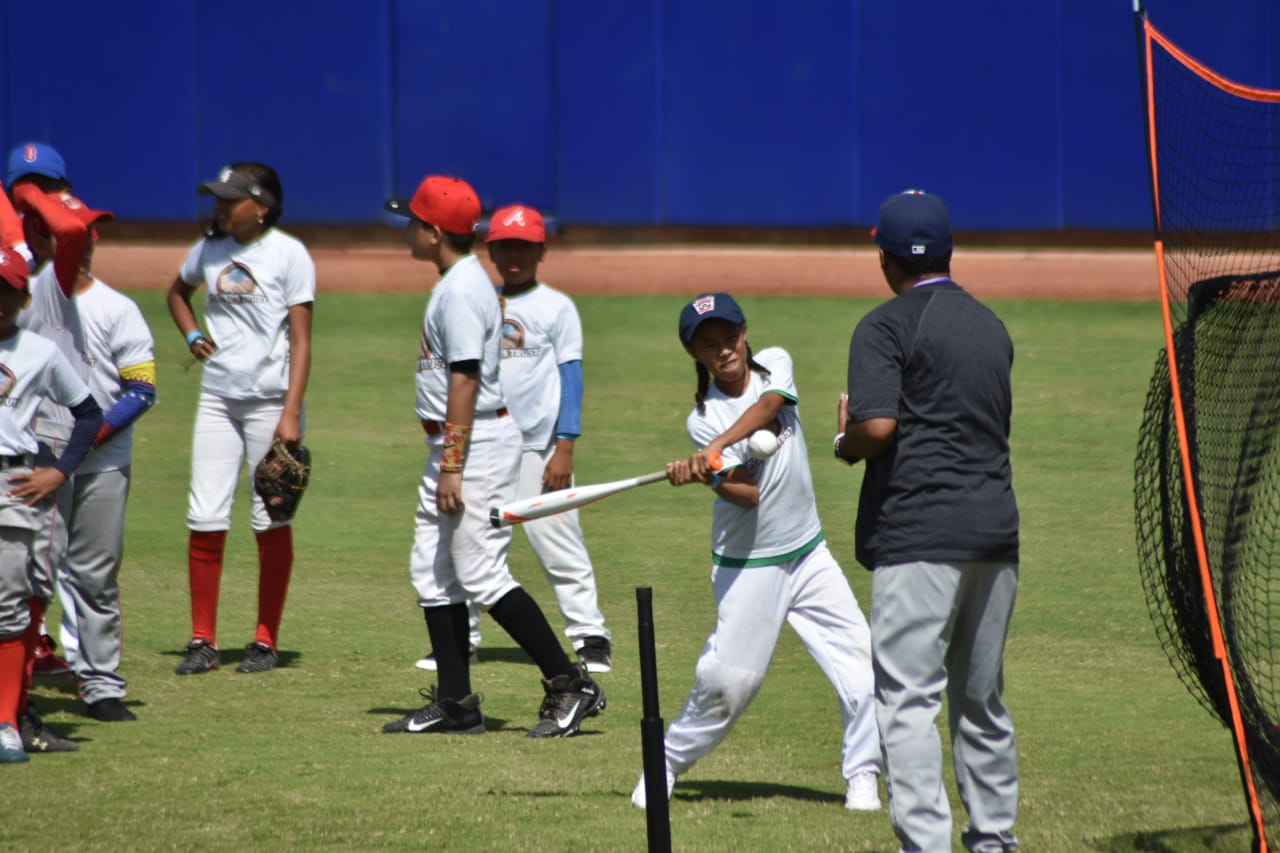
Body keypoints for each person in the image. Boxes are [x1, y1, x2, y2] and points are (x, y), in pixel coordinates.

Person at [631, 292, 882, 811]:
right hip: (750, 566)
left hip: (809, 553)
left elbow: (770, 408)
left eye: (729, 337)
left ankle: (862, 775)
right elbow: (748, 495)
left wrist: (714, 450)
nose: (723, 350)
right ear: (695, 355)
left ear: (745, 334)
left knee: (864, 662)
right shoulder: (701, 418)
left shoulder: (776, 368)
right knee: (728, 685)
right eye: (709, 345)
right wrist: (708, 475)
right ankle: (666, 764)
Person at [380, 175, 604, 737]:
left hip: (473, 442)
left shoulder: (459, 290)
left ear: (433, 232)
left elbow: (465, 380)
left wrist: (452, 463)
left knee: (480, 572)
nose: (407, 229)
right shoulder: (462, 282)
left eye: (412, 221)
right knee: (432, 569)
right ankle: (457, 701)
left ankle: (569, 682)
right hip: (459, 441)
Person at [835, 190, 1020, 853]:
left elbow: (878, 426)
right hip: (996, 534)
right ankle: (994, 836)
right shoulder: (991, 325)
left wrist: (844, 439)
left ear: (883, 256)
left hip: (919, 533)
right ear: (949, 250)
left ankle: (926, 845)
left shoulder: (882, 326)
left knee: (910, 700)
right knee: (981, 697)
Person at [415, 204, 612, 674]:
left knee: (559, 542)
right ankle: (465, 639)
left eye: (524, 246)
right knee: (466, 547)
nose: (514, 255)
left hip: (538, 448)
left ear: (541, 250)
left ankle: (589, 636)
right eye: (505, 246)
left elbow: (572, 377)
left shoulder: (556, 306)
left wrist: (565, 444)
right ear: (491, 249)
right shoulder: (483, 298)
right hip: (485, 440)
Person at [9, 144, 157, 723]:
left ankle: (100, 684)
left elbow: (142, 389)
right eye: (76, 231)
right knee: (31, 574)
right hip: (41, 453)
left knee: (96, 575)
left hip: (101, 458)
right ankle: (17, 690)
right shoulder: (42, 292)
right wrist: (30, 199)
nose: (86, 238)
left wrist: (89, 443)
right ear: (42, 238)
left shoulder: (120, 308)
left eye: (92, 229)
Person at [166, 162, 313, 675]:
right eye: (217, 199)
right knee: (204, 515)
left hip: (271, 403)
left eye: (231, 199)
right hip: (218, 400)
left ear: (262, 206)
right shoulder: (209, 249)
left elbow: (302, 339)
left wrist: (291, 413)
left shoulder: (289, 254)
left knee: (270, 517)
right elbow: (177, 293)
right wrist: (190, 335)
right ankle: (203, 639)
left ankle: (265, 640)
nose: (221, 207)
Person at [0, 248, 104, 762]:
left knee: (15, 603)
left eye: (5, 290)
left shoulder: (39, 351)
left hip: (16, 481)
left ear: (22, 297)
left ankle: (8, 720)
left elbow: (88, 413)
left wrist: (60, 469)